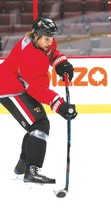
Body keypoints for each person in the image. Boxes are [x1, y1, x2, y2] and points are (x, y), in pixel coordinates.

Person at [0, 17, 77, 184]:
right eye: (47, 39)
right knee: (39, 124)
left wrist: (60, 63)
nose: (50, 42)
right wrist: (60, 105)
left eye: (52, 38)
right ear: (35, 36)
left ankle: (23, 166)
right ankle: (31, 170)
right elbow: (37, 90)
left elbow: (52, 53)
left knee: (37, 123)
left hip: (19, 83)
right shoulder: (31, 56)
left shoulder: (43, 41)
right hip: (8, 88)